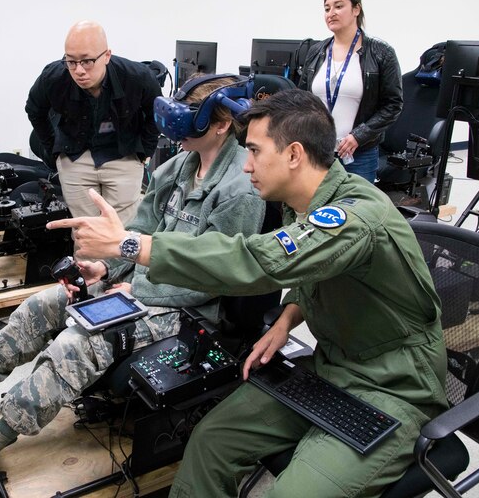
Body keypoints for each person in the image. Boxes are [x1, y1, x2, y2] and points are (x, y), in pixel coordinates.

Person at [50, 89, 448, 497]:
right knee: (209, 442)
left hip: (394, 389)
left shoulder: (354, 215)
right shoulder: (303, 203)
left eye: (255, 152)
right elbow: (318, 270)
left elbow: (258, 261)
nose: (247, 166)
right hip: (332, 367)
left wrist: (130, 245)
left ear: (294, 154)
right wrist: (289, 317)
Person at [0, 75, 266, 494]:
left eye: (187, 121)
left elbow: (217, 278)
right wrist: (105, 271)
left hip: (187, 308)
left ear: (219, 125)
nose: (175, 132)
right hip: (142, 286)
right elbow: (140, 231)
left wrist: (138, 291)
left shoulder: (240, 189)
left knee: (75, 343)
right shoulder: (179, 166)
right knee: (43, 305)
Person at [25, 20, 162, 224]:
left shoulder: (137, 77)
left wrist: (146, 151)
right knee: (84, 232)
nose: (79, 70)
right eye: (71, 61)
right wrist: (53, 150)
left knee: (121, 233)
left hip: (122, 155)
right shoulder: (53, 77)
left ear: (106, 55)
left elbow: (156, 112)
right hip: (75, 156)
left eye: (87, 61)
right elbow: (34, 110)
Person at [299, 0, 403, 183]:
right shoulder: (316, 52)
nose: (331, 13)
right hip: (318, 149)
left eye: (339, 6)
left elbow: (393, 105)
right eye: (327, 8)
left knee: (354, 210)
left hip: (358, 152)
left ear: (356, 9)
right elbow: (302, 98)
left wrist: (359, 135)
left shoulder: (381, 53)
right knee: (317, 208)